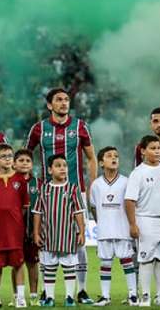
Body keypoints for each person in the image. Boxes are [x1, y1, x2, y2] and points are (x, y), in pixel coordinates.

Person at [25, 88, 95, 305]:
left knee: (79, 243)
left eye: (66, 99)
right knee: (47, 243)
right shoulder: (39, 129)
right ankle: (48, 292)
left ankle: (81, 290)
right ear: (49, 105)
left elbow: (91, 158)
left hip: (75, 191)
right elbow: (26, 156)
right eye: (58, 100)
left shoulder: (80, 126)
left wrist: (90, 189)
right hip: (49, 194)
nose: (64, 103)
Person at [125, 135, 160, 307]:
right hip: (145, 219)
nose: (157, 151)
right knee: (146, 258)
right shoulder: (137, 173)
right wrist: (133, 224)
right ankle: (144, 296)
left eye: (158, 148)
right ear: (143, 151)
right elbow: (130, 200)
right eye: (153, 148)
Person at [32, 154, 86, 307]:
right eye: (58, 165)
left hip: (67, 236)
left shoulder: (73, 189)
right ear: (50, 170)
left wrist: (81, 232)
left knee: (69, 266)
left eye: (64, 165)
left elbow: (79, 212)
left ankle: (69, 297)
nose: (62, 168)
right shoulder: (44, 189)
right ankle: (49, 297)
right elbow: (37, 213)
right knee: (49, 267)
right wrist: (36, 233)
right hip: (48, 236)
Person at [89, 147, 137, 306]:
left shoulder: (126, 181)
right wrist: (102, 224)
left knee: (127, 262)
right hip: (104, 231)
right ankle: (105, 296)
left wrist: (131, 225)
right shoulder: (96, 184)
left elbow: (132, 205)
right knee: (105, 264)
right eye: (109, 156)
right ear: (101, 162)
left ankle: (133, 295)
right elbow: (94, 208)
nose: (114, 158)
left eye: (116, 156)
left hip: (123, 230)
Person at [0, 144, 29, 308]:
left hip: (15, 231)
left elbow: (24, 207)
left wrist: (15, 221)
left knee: (18, 264)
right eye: (4, 156)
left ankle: (20, 297)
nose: (8, 159)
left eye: (10, 155)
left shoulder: (20, 180)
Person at [14, 150, 41, 306]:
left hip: (33, 229)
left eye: (28, 160)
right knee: (16, 263)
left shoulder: (38, 183)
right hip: (15, 229)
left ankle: (33, 295)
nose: (24, 163)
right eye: (21, 160)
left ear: (32, 164)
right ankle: (17, 295)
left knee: (32, 263)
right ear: (14, 163)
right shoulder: (11, 181)